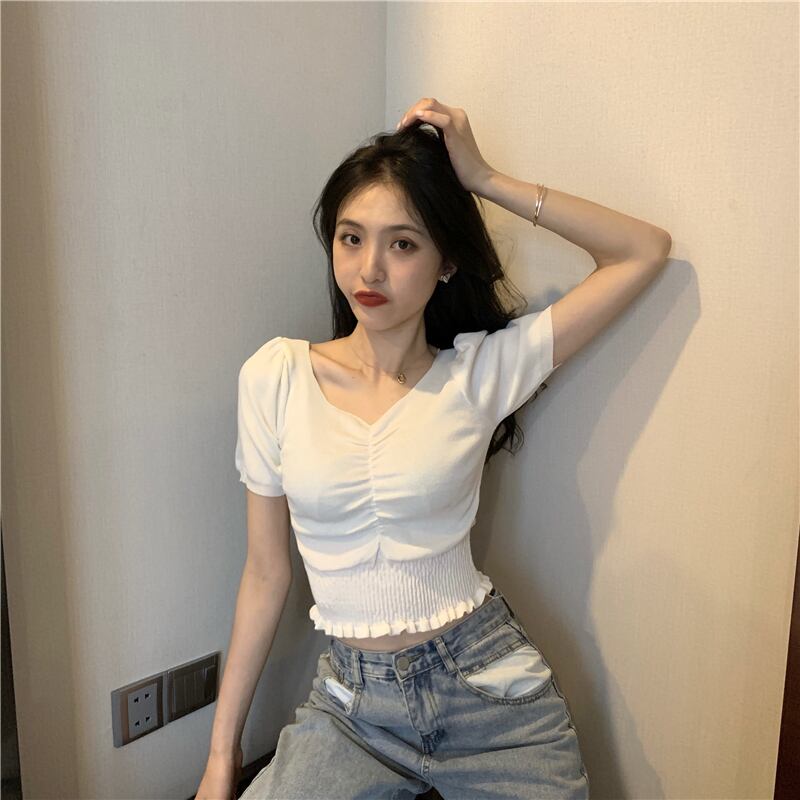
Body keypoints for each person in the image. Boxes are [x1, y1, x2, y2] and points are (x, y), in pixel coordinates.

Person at [196, 98, 671, 800]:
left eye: (403, 244)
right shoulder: (275, 377)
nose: (370, 270)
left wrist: (484, 179)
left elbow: (642, 250)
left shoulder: (480, 372)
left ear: (446, 261)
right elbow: (266, 576)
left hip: (491, 698)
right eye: (351, 238)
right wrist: (220, 759)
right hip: (353, 710)